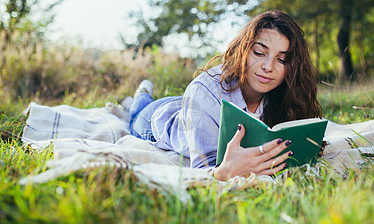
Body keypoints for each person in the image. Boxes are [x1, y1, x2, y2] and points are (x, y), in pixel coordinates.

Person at [128, 10, 322, 181]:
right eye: (259, 53)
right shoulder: (204, 90)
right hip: (156, 119)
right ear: (243, 50)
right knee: (137, 112)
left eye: (281, 59)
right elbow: (206, 170)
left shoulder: (283, 93)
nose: (268, 67)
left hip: (195, 107)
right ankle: (142, 93)